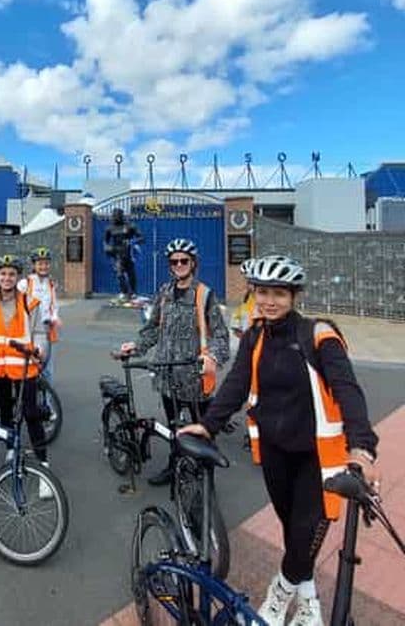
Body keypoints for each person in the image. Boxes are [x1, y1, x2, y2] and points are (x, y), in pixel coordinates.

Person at [179, 255, 380, 626]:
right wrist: (208, 424)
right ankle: (309, 605)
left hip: (316, 460)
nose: (270, 302)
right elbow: (237, 384)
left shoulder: (318, 336)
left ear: (294, 296)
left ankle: (277, 599)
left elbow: (348, 390)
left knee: (306, 536)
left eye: (279, 294)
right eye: (262, 293)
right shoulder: (256, 335)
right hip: (274, 455)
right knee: (293, 534)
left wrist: (362, 446)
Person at [119, 237, 230, 486]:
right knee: (173, 428)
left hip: (195, 378)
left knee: (201, 432)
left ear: (193, 263)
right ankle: (174, 467)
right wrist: (135, 346)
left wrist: (212, 357)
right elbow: (152, 329)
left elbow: (221, 336)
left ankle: (204, 479)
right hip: (168, 375)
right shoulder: (165, 293)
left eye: (184, 260)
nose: (179, 264)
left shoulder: (205, 295)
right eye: (174, 261)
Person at [0, 255, 51, 497]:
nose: (7, 278)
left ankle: (43, 467)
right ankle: (11, 449)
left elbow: (40, 333)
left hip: (24, 367)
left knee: (31, 415)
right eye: (3, 274)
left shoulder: (30, 302)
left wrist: (39, 350)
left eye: (11, 274)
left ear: (17, 277)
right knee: (6, 411)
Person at [17, 247, 62, 384]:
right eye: (40, 263)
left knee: (47, 367)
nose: (43, 267)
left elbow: (54, 305)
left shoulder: (51, 283)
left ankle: (47, 402)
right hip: (29, 329)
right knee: (28, 363)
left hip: (47, 327)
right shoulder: (25, 283)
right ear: (34, 265)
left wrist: (55, 317)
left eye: (46, 263)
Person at [103, 208, 143, 301]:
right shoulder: (109, 228)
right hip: (117, 253)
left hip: (128, 252)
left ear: (121, 215)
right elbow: (105, 240)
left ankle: (133, 292)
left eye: (117, 215)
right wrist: (106, 247)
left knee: (131, 273)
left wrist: (132, 241)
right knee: (119, 273)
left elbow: (141, 237)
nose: (115, 217)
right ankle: (124, 292)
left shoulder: (130, 226)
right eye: (113, 215)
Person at [230, 258, 259, 338]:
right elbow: (240, 312)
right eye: (247, 280)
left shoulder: (263, 300)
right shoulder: (248, 297)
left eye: (251, 281)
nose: (248, 284)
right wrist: (236, 325)